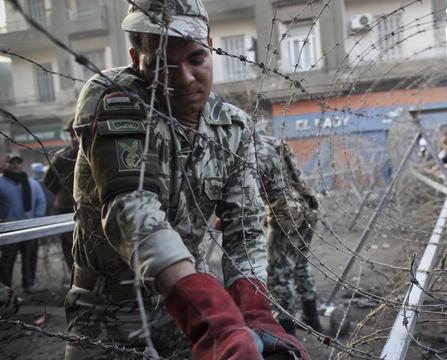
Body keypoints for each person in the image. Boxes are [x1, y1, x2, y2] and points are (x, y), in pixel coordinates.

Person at [65, 1, 309, 359]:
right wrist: (212, 314)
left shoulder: (230, 127)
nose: (185, 78)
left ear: (210, 47)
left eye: (197, 60)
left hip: (189, 319)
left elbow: (245, 228)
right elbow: (131, 208)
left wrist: (253, 310)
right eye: (164, 64)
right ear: (137, 59)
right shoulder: (116, 99)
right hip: (110, 317)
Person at [254, 131, 323, 335]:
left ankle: (287, 334)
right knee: (301, 265)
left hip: (286, 215)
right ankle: (313, 319)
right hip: (305, 206)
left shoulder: (254, 151)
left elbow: (251, 192)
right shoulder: (277, 144)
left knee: (278, 276)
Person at [0, 154, 47, 292]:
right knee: (7, 260)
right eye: (12, 162)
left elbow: (41, 201)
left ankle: (28, 285)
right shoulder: (1, 183)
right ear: (7, 164)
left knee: (30, 257)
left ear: (22, 164)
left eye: (18, 162)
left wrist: (36, 220)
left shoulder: (32, 183)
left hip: (30, 227)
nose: (15, 165)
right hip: (9, 228)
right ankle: (5, 289)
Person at [43, 118, 78, 271]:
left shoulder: (96, 154)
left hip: (91, 209)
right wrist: (65, 194)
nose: (74, 138)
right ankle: (75, 276)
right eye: (71, 135)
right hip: (67, 209)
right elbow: (49, 182)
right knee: (71, 247)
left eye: (77, 133)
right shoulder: (63, 157)